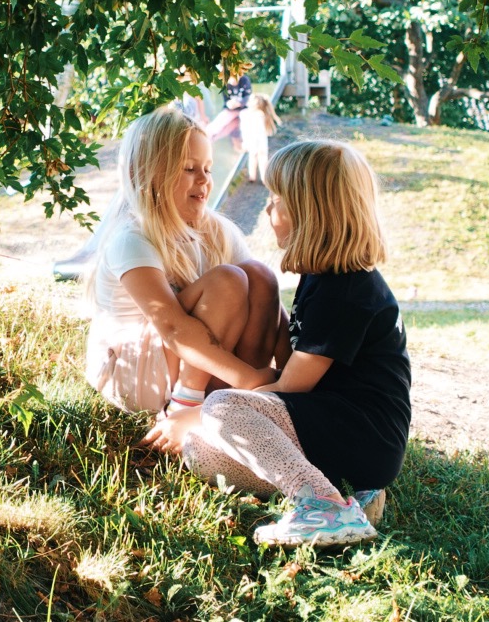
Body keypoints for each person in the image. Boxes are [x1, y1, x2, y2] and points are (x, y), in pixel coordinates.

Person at [149, 139, 410, 548]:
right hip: (332, 434)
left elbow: (291, 387)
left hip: (361, 435)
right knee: (201, 453)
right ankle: (354, 493)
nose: (268, 209)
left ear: (310, 212)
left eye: (276, 199)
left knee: (221, 408)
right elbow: (291, 356)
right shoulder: (322, 278)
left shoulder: (346, 291)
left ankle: (321, 504)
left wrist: (196, 414)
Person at [84, 107, 287, 417]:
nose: (204, 179)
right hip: (135, 370)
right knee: (227, 281)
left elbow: (267, 300)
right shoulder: (131, 238)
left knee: (259, 275)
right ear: (148, 174)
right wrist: (249, 378)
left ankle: (246, 400)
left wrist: (292, 369)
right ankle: (188, 404)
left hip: (187, 361)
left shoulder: (215, 230)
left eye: (207, 168)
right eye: (190, 168)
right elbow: (171, 326)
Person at [238, 92, 279, 183]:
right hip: (257, 139)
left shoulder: (251, 114)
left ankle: (255, 177)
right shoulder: (254, 114)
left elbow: (246, 129)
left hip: (255, 139)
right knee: (259, 157)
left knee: (257, 157)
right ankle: (259, 177)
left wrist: (245, 142)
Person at [204, 67, 252, 143]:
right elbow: (226, 100)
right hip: (231, 110)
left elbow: (248, 97)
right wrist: (229, 104)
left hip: (244, 109)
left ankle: (248, 142)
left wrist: (239, 103)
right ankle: (207, 137)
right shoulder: (225, 84)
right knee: (221, 122)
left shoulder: (244, 80)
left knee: (244, 120)